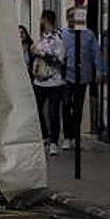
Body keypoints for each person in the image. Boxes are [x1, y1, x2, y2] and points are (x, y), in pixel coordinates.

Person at [60, 9, 105, 150]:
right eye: (71, 17)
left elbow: (96, 54)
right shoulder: (63, 34)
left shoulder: (89, 35)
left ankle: (74, 136)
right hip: (66, 76)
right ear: (68, 19)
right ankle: (67, 136)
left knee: (78, 108)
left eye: (76, 17)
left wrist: (99, 71)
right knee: (66, 106)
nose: (74, 20)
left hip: (83, 76)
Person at [32, 10, 66, 156]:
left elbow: (60, 61)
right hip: (39, 81)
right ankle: (45, 135)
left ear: (46, 20)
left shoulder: (58, 40)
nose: (40, 21)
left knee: (53, 113)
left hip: (55, 82)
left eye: (42, 19)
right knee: (37, 110)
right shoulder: (41, 39)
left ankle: (54, 142)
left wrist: (42, 54)